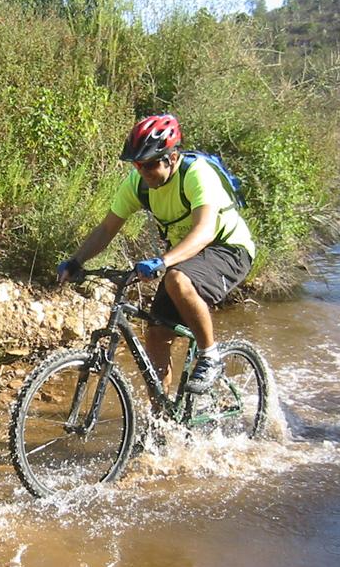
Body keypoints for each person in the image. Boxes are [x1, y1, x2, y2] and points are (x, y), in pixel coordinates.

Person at [57, 114, 256, 394]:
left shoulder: (196, 174)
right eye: (138, 165)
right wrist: (77, 261)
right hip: (186, 256)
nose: (143, 172)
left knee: (177, 280)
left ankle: (210, 356)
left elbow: (204, 232)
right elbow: (106, 228)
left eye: (150, 164)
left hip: (229, 248)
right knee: (157, 333)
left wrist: (163, 261)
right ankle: (161, 425)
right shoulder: (138, 185)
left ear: (172, 158)